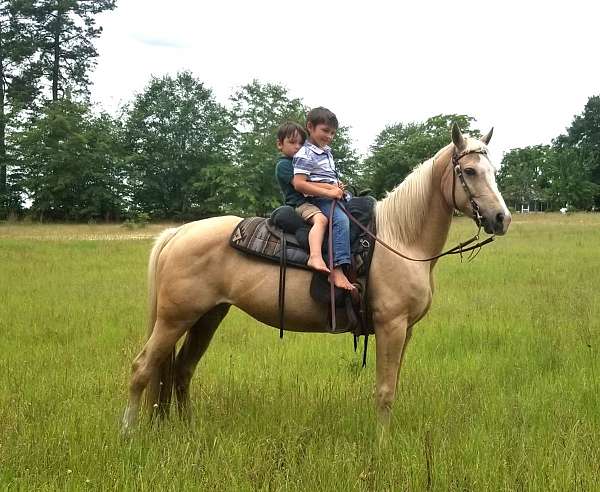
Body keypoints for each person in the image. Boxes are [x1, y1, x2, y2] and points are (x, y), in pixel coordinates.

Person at [292, 107, 355, 291]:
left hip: (336, 196)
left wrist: (337, 184)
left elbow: (324, 175)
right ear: (310, 127)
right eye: (325, 131)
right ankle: (337, 269)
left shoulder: (326, 151)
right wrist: (329, 193)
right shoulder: (305, 154)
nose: (329, 136)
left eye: (333, 133)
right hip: (320, 200)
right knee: (341, 221)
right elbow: (299, 184)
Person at [275, 121, 330, 273]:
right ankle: (315, 256)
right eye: (292, 142)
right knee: (321, 220)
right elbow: (305, 186)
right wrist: (330, 189)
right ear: (280, 144)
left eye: (301, 143)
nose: (298, 147)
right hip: (299, 204)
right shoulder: (284, 165)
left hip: (312, 202)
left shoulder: (302, 162)